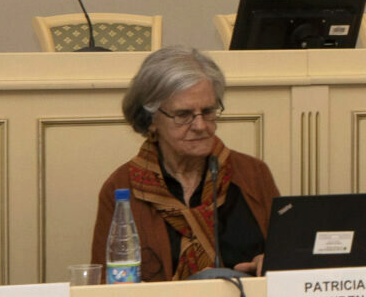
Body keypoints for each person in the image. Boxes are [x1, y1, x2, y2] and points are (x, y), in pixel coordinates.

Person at [91, 48, 279, 282]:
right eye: (183, 115)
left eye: (208, 111)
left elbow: (290, 265)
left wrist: (272, 263)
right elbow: (105, 286)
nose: (200, 126)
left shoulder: (253, 174)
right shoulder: (122, 188)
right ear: (151, 119)